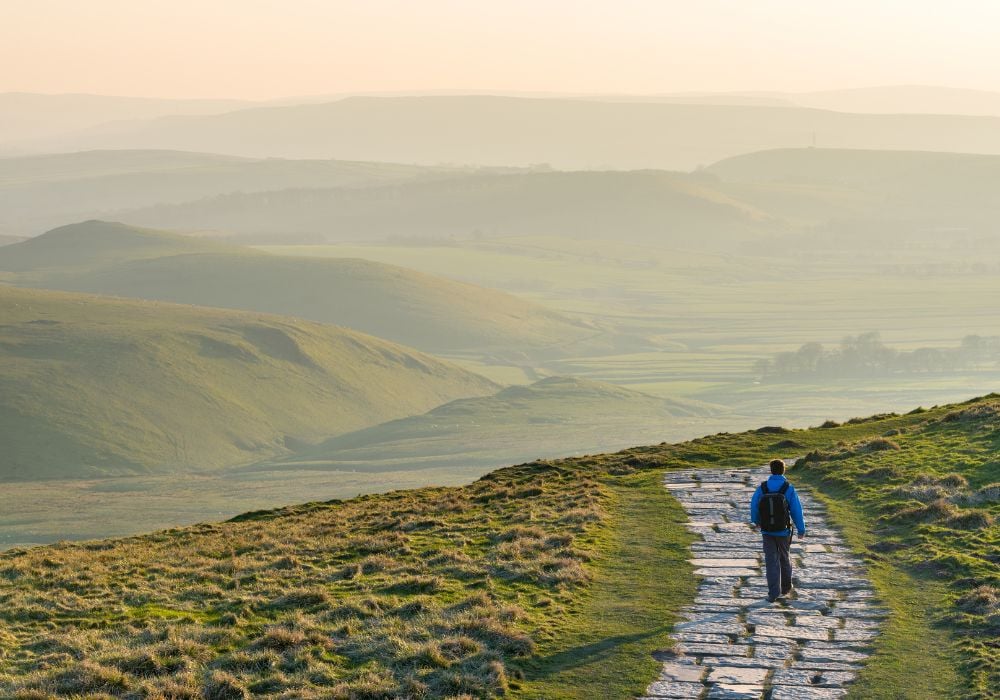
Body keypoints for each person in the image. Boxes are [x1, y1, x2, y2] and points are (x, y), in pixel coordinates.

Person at [750, 458, 806, 602]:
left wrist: (756, 521)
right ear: (783, 470)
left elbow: (754, 505)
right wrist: (801, 529)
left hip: (767, 531)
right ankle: (786, 588)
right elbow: (796, 510)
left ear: (771, 470)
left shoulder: (762, 488)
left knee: (770, 561)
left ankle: (773, 593)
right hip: (783, 531)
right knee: (784, 557)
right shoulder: (788, 488)